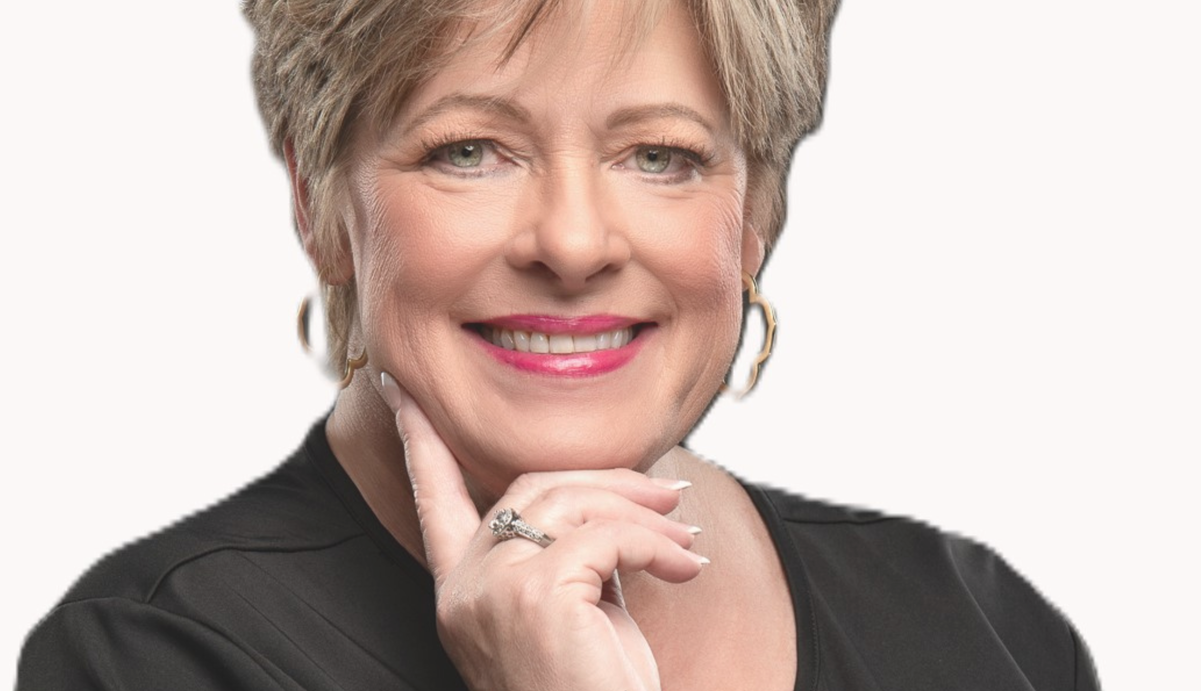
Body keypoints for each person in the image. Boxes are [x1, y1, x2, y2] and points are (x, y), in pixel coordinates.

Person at [16, 1, 1101, 689]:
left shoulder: (986, 631)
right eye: (470, 150)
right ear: (318, 202)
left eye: (661, 156)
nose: (575, 244)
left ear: (757, 212)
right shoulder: (150, 658)